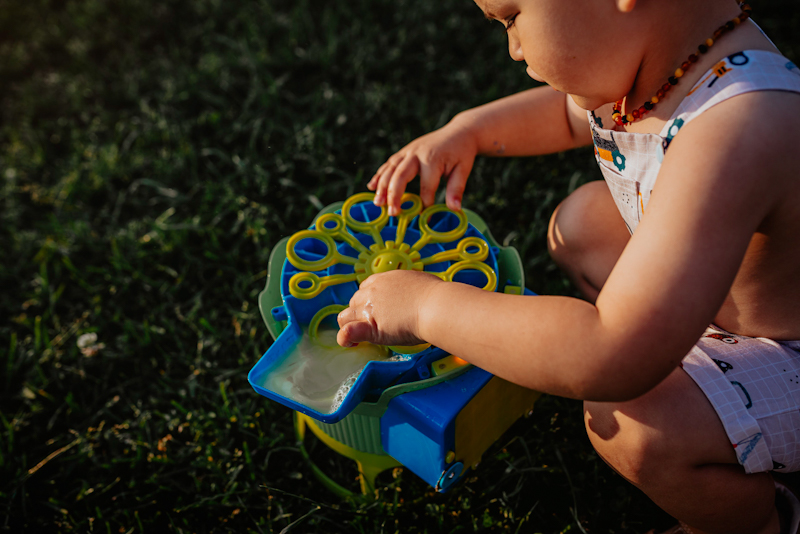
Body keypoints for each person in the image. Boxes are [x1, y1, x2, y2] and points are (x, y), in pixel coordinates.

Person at [335, 0, 800, 532]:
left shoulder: (739, 128)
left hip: (787, 345)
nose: (512, 48)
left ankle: (757, 523)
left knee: (632, 421)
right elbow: (565, 114)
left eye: (511, 18)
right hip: (734, 301)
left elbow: (610, 354)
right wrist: (469, 131)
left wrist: (425, 306)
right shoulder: (671, 56)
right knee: (579, 224)